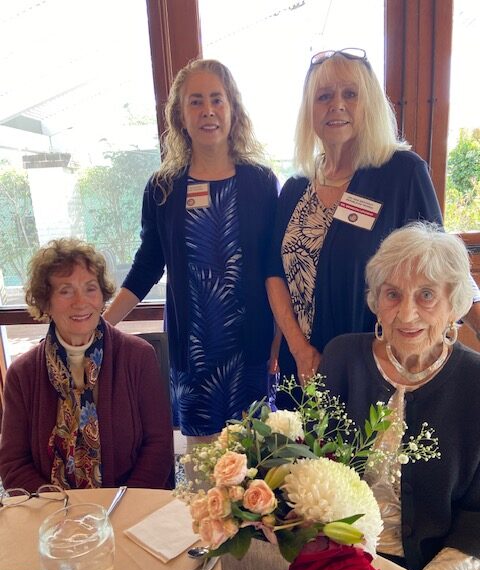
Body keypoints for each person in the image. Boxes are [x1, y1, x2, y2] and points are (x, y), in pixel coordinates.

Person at [266, 48, 480, 386]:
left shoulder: (402, 172)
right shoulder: (295, 188)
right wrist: (299, 349)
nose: (337, 104)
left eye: (350, 94)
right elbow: (274, 273)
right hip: (305, 366)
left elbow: (444, 265)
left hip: (376, 369)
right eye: (324, 96)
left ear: (371, 105)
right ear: (309, 110)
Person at [104, 59, 278, 451]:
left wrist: (280, 340)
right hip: (194, 350)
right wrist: (101, 326)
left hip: (251, 347)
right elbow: (147, 266)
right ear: (181, 116)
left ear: (233, 108)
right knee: (202, 465)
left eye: (217, 99)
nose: (207, 111)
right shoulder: (164, 187)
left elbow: (275, 266)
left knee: (255, 464)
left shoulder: (261, 182)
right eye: (195, 102)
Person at [320, 222, 480, 570]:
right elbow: (314, 467)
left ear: (454, 304)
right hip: (341, 563)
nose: (407, 314)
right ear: (376, 300)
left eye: (427, 295)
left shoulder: (475, 381)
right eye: (393, 294)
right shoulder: (342, 358)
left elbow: (476, 522)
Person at [0, 238, 174, 491]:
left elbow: (159, 447)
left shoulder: (139, 357)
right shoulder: (22, 374)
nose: (81, 302)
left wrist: (123, 505)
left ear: (102, 296)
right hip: (53, 509)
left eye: (90, 288)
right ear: (45, 302)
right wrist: (58, 506)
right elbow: (13, 464)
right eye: (65, 291)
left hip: (128, 504)